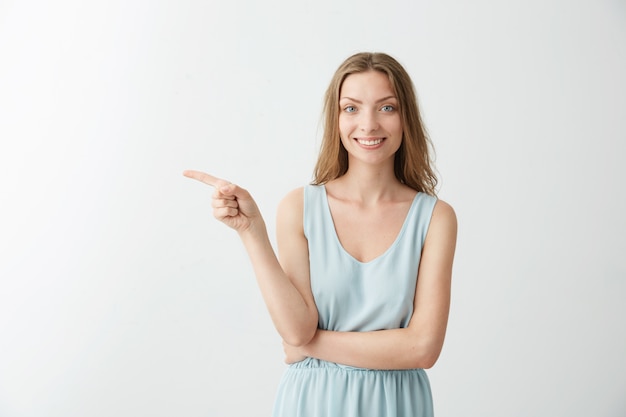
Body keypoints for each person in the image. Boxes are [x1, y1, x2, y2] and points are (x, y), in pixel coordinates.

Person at [184, 52, 457, 417]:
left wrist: (312, 347)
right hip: (312, 403)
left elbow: (423, 349)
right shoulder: (300, 207)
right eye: (352, 108)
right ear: (336, 118)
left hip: (397, 405)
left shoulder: (435, 217)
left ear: (406, 116)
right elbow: (298, 329)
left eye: (387, 108)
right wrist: (251, 232)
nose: (369, 124)